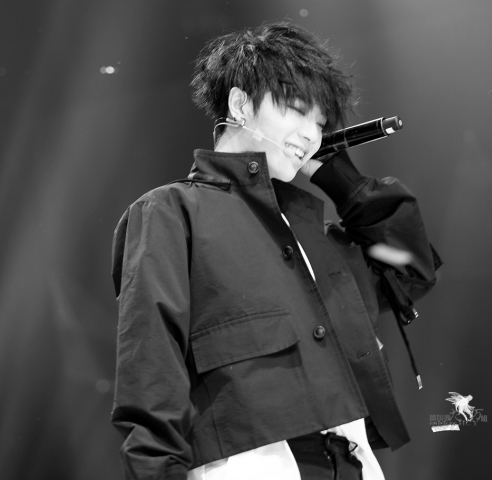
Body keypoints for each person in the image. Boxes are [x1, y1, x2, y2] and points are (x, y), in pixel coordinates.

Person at [110, 22, 440, 480]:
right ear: (240, 104)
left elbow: (410, 272)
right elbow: (151, 374)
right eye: (297, 110)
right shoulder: (172, 212)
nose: (310, 135)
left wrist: (341, 177)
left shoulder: (317, 237)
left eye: (320, 125)